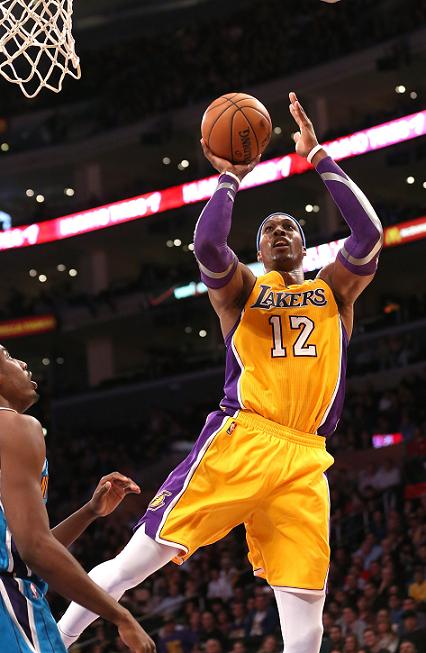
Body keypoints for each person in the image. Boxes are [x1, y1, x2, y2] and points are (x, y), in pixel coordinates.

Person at [58, 91, 383, 653]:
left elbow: (369, 237)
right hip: (243, 439)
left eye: (290, 228)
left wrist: (319, 156)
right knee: (136, 564)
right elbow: (208, 243)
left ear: (306, 248)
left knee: (307, 625)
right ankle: (51, 643)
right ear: (256, 249)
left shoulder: (334, 290)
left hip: (307, 458)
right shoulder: (242, 292)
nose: (279, 232)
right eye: (268, 231)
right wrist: (230, 178)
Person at [0, 344, 155, 653]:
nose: (22, 363)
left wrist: (89, 512)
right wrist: (120, 615)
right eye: (7, 356)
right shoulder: (14, 426)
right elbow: (34, 550)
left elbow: (19, 548)